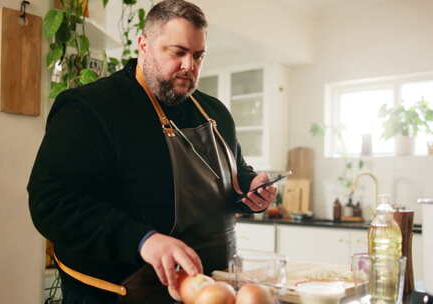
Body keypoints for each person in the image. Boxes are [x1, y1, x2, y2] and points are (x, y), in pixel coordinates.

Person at [27, 0, 277, 303]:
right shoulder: (90, 107)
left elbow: (231, 177)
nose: (190, 66)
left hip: (210, 289)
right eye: (178, 52)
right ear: (144, 45)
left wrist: (250, 189)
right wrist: (142, 240)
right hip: (121, 292)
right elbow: (52, 203)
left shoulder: (215, 112)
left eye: (198, 56)